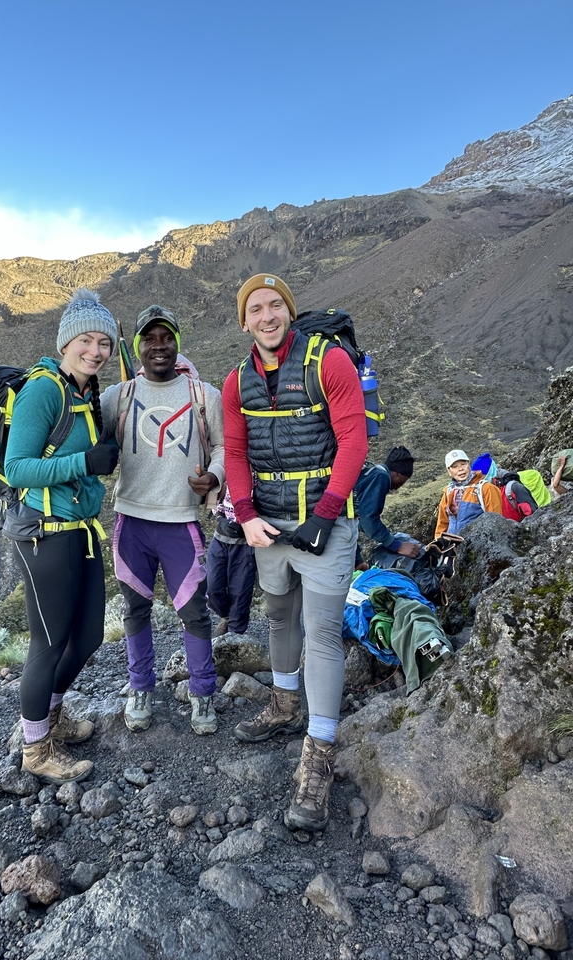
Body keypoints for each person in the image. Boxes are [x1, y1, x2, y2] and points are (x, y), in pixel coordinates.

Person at [222, 273, 368, 833]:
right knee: (279, 614)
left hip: (325, 516)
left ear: (290, 310)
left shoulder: (327, 361)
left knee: (324, 631)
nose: (267, 315)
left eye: (275, 305)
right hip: (269, 522)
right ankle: (285, 706)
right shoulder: (237, 381)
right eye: (256, 308)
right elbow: (236, 450)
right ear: (244, 321)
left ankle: (319, 756)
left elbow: (354, 440)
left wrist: (326, 515)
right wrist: (246, 511)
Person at [3, 289, 120, 784]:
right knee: (48, 645)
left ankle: (49, 717)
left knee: (89, 636)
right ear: (66, 342)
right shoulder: (45, 390)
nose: (96, 351)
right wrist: (85, 461)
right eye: (86, 341)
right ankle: (35, 748)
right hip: (44, 535)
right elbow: (16, 467)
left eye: (105, 344)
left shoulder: (83, 392)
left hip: (81, 531)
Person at [100, 305, 225, 736]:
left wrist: (215, 476)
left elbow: (226, 449)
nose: (159, 346)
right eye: (149, 338)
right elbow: (84, 439)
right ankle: (139, 687)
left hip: (180, 523)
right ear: (137, 347)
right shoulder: (118, 397)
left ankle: (203, 691)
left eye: (166, 337)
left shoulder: (203, 395)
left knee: (194, 614)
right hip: (131, 522)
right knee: (135, 611)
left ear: (177, 342)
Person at [354, 446, 419, 569]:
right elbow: (367, 520)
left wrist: (357, 561)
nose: (401, 485)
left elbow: (355, 520)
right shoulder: (381, 477)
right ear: (398, 475)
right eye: (404, 481)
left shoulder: (371, 472)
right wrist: (397, 545)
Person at [207, 483, 257, 637]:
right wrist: (220, 518)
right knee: (212, 587)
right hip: (221, 537)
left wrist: (248, 524)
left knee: (240, 592)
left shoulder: (261, 466)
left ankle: (235, 636)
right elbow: (212, 491)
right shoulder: (224, 463)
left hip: (245, 542)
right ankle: (228, 618)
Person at [435, 449, 503, 538]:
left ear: (469, 464)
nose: (460, 469)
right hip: (452, 548)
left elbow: (496, 523)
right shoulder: (448, 491)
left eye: (463, 464)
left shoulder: (486, 488)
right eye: (454, 466)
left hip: (477, 546)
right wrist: (439, 545)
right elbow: (442, 525)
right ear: (449, 471)